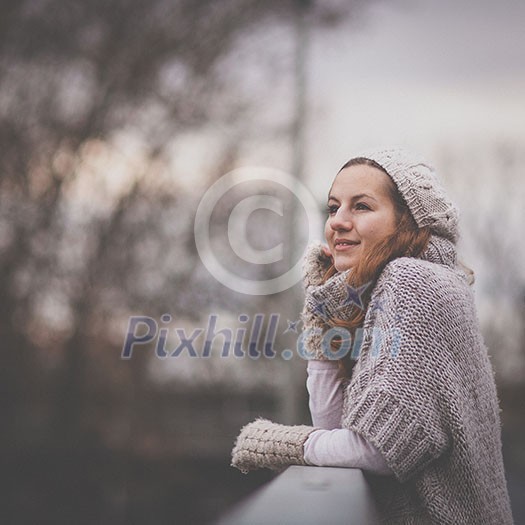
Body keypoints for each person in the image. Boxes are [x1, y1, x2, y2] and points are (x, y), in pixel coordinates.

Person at [230, 147, 514, 524]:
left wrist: (282, 444)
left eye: (361, 207)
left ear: (407, 222)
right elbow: (332, 426)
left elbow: (378, 450)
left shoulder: (412, 281)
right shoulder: (420, 284)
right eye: (333, 208)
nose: (338, 222)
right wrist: (322, 312)